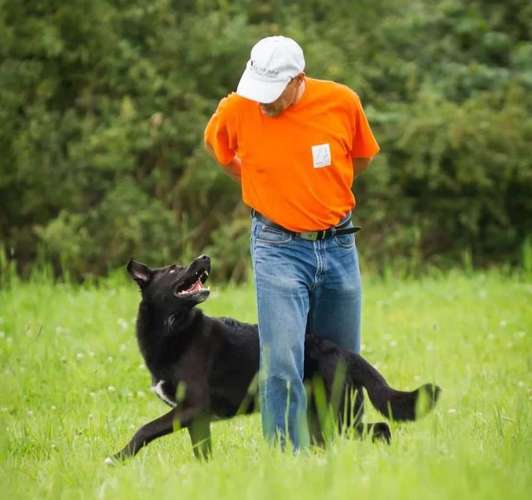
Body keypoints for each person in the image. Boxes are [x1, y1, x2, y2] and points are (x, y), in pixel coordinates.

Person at [204, 35, 380, 450]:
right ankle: (286, 456)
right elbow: (219, 150)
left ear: (298, 79)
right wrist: (261, 180)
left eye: (273, 93)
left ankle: (331, 449)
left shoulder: (341, 101)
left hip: (338, 244)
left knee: (340, 356)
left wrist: (323, 189)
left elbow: (362, 156)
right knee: (282, 359)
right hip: (276, 246)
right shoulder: (238, 107)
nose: (262, 101)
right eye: (256, 89)